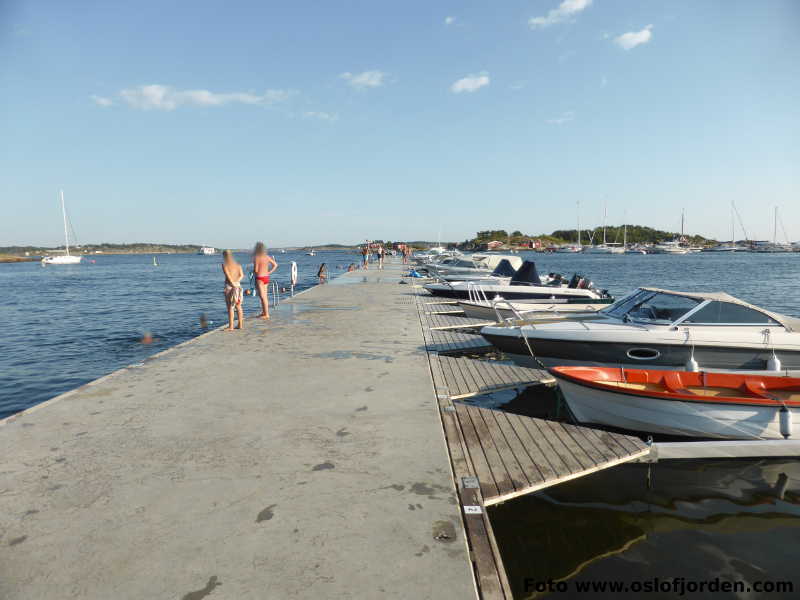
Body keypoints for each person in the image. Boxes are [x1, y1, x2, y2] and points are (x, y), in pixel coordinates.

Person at [252, 241, 278, 320]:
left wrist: (252, 272)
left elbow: (256, 270)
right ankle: (264, 312)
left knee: (263, 297)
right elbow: (275, 265)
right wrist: (269, 272)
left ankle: (266, 314)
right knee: (265, 296)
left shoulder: (257, 257)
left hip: (259, 278)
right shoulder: (266, 256)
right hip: (266, 277)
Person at [222, 250, 245, 331]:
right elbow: (242, 275)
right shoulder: (237, 264)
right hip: (238, 286)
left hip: (229, 286)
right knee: (238, 305)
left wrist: (233, 284)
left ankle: (231, 326)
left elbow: (228, 276)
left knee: (230, 307)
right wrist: (236, 282)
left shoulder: (225, 264)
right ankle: (240, 324)